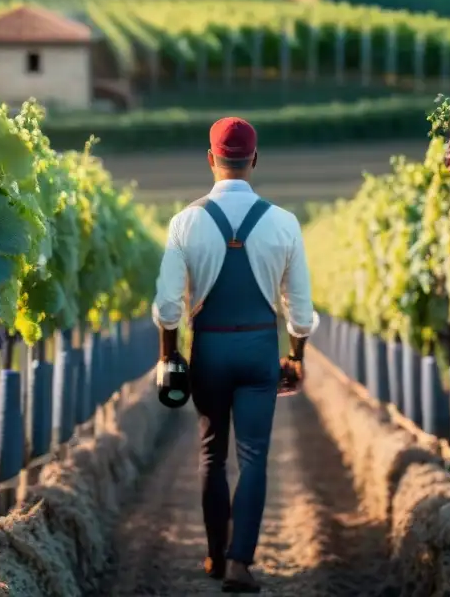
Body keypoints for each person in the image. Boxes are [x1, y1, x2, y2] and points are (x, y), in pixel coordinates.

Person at [152, 116, 317, 593]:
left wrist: (169, 355)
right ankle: (241, 562)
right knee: (254, 458)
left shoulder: (185, 222)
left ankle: (214, 555)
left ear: (210, 159)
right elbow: (299, 307)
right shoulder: (284, 223)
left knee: (211, 456)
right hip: (260, 351)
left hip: (209, 351)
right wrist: (297, 356)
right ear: (254, 160)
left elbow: (167, 305)